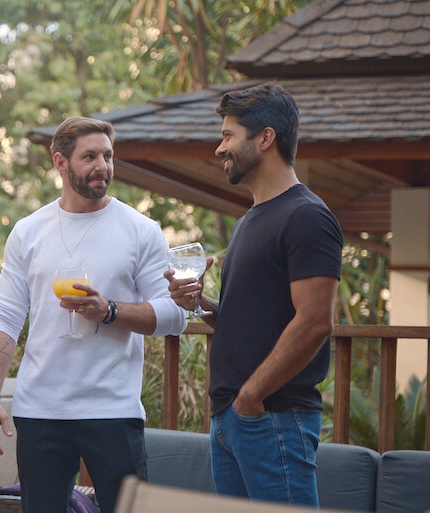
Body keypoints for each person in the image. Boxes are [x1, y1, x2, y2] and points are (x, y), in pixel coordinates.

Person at [0, 116, 187, 513]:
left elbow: (175, 314)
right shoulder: (28, 231)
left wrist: (109, 311)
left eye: (108, 156)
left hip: (113, 410)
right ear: (60, 163)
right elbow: (4, 315)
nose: (102, 166)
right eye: (90, 157)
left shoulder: (140, 230)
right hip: (40, 411)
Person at [165, 84, 342, 506]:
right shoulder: (250, 221)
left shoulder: (307, 216)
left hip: (272, 417)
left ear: (265, 138)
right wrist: (202, 304)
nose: (219, 148)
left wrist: (251, 397)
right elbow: (249, 319)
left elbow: (315, 321)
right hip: (233, 420)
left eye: (228, 135)